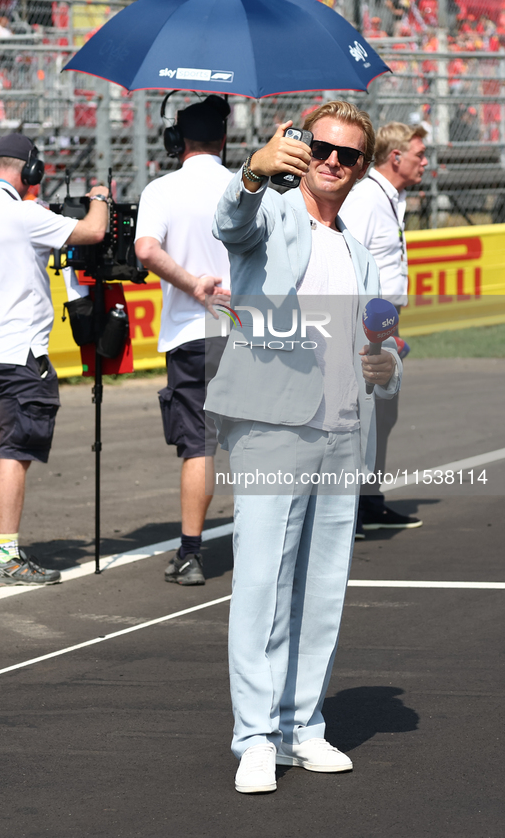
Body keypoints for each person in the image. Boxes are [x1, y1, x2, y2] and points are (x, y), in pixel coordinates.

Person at [205, 101, 401, 793]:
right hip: (270, 422)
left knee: (321, 585)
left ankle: (300, 726)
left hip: (344, 426)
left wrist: (385, 366)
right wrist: (253, 173)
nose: (331, 161)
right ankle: (254, 735)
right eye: (321, 147)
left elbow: (380, 341)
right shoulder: (273, 213)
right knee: (260, 579)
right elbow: (229, 222)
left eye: (347, 155)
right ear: (301, 147)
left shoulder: (356, 249)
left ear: (358, 167)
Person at [0, 133, 109, 587]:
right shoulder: (25, 213)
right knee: (15, 452)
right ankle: (8, 554)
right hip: (20, 355)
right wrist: (100, 199)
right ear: (31, 171)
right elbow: (93, 232)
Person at [135, 95, 232, 586]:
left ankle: (191, 554)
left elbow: (146, 250)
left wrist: (193, 282)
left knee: (199, 446)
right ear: (224, 139)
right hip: (249, 330)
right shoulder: (245, 187)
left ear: (176, 142)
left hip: (193, 335)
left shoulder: (162, 189)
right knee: (262, 443)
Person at [341, 121, 427, 536]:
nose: (425, 162)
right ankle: (349, 507)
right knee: (361, 415)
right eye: (418, 154)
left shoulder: (390, 197)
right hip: (367, 323)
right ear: (396, 158)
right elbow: (350, 265)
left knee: (382, 416)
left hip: (383, 320)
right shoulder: (367, 199)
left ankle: (369, 499)